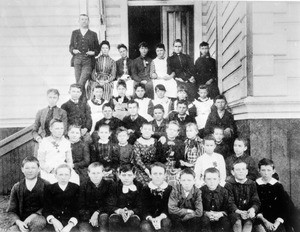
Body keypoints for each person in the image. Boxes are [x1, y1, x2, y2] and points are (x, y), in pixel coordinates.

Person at [6, 156, 48, 232]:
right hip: (22, 221)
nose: (30, 171)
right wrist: (19, 223)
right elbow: (11, 211)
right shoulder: (17, 187)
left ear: (38, 169)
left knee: (37, 223)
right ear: (22, 169)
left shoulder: (46, 185)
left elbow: (49, 206)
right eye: (27, 168)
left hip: (40, 218)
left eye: (33, 168)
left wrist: (34, 216)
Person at [37, 119, 79, 185]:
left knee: (75, 179)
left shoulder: (66, 142)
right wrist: (50, 170)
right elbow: (41, 161)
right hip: (49, 170)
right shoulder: (44, 142)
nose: (60, 131)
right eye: (57, 128)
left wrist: (66, 170)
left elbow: (69, 160)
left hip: (63, 169)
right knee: (53, 183)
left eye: (62, 128)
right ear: (51, 129)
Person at [69, 14, 99, 101]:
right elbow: (70, 46)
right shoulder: (74, 33)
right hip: (77, 60)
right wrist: (73, 50)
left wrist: (93, 52)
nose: (84, 21)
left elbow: (97, 49)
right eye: (82, 19)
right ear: (78, 21)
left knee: (81, 83)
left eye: (86, 19)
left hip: (88, 61)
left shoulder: (93, 34)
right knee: (78, 82)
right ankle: (83, 102)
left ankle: (77, 101)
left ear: (88, 21)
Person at [78, 162, 115, 232]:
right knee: (85, 230)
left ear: (103, 173)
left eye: (98, 173)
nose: (96, 176)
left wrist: (97, 213)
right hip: (87, 217)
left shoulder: (109, 184)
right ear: (88, 173)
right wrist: (91, 218)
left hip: (103, 215)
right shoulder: (83, 186)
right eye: (93, 173)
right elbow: (81, 206)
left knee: (103, 219)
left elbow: (110, 203)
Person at [225, 161, 261, 232]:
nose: (241, 172)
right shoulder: (229, 184)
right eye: (238, 170)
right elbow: (230, 202)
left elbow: (256, 201)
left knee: (248, 222)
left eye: (243, 169)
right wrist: (239, 211)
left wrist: (252, 209)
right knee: (237, 222)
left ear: (247, 172)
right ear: (232, 172)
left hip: (248, 211)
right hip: (234, 212)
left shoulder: (252, 184)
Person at [43, 164, 80, 232]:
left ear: (70, 176)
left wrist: (70, 225)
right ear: (55, 175)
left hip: (71, 224)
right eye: (60, 174)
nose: (63, 177)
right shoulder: (49, 189)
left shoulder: (76, 188)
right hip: (53, 223)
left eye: (66, 174)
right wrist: (53, 221)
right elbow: (46, 209)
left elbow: (78, 209)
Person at [255, 158, 288, 232]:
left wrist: (276, 223)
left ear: (273, 171)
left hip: (276, 219)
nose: (266, 173)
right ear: (259, 171)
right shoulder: (255, 185)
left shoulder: (278, 186)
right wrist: (265, 221)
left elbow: (284, 206)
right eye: (263, 170)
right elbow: (254, 204)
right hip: (260, 219)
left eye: (269, 170)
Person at [32, 89, 67, 155]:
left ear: (58, 99)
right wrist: (38, 138)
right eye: (50, 97)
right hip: (42, 140)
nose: (52, 99)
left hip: (56, 141)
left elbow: (64, 130)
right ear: (47, 98)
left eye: (54, 97)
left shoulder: (62, 112)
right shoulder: (41, 112)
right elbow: (34, 130)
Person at [109, 164, 143, 232]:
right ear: (119, 175)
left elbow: (141, 205)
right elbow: (110, 204)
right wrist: (119, 211)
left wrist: (132, 212)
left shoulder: (139, 186)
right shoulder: (114, 186)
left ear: (134, 175)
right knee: (114, 220)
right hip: (118, 214)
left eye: (129, 175)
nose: (126, 178)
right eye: (124, 175)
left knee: (134, 221)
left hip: (133, 214)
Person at [140, 162, 173, 232]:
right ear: (150, 175)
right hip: (149, 218)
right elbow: (143, 208)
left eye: (160, 174)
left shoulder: (170, 189)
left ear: (165, 175)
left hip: (164, 216)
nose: (157, 176)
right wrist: (151, 218)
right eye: (155, 174)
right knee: (145, 227)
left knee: (166, 223)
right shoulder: (145, 189)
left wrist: (160, 217)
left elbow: (169, 207)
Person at [200, 167, 231, 232]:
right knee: (204, 221)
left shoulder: (224, 191)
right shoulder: (200, 191)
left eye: (214, 179)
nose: (212, 182)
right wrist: (206, 213)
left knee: (225, 222)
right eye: (208, 179)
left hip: (220, 216)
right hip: (205, 216)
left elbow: (228, 207)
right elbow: (198, 207)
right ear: (204, 180)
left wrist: (220, 214)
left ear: (219, 179)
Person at [156, 121, 184, 186]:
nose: (172, 131)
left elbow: (181, 158)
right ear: (166, 130)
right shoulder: (161, 141)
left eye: (174, 130)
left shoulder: (180, 144)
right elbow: (158, 158)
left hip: (175, 168)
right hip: (163, 167)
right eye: (170, 129)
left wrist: (179, 168)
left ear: (177, 133)